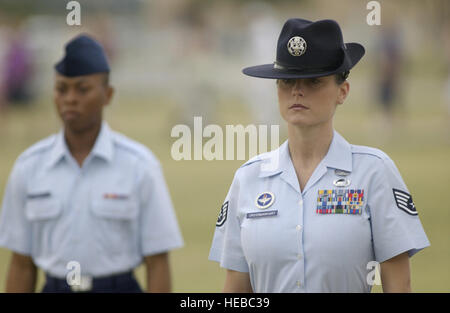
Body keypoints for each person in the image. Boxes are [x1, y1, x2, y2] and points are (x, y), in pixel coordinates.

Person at [209, 18, 430, 293]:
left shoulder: (374, 172)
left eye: (313, 81)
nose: (297, 91)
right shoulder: (248, 178)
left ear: (342, 91)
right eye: (286, 82)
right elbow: (236, 290)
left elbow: (398, 285)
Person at [0, 34, 183, 293]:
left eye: (82, 89)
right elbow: (21, 264)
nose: (70, 98)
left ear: (107, 95)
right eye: (61, 89)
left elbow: (157, 262)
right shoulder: (29, 167)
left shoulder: (139, 166)